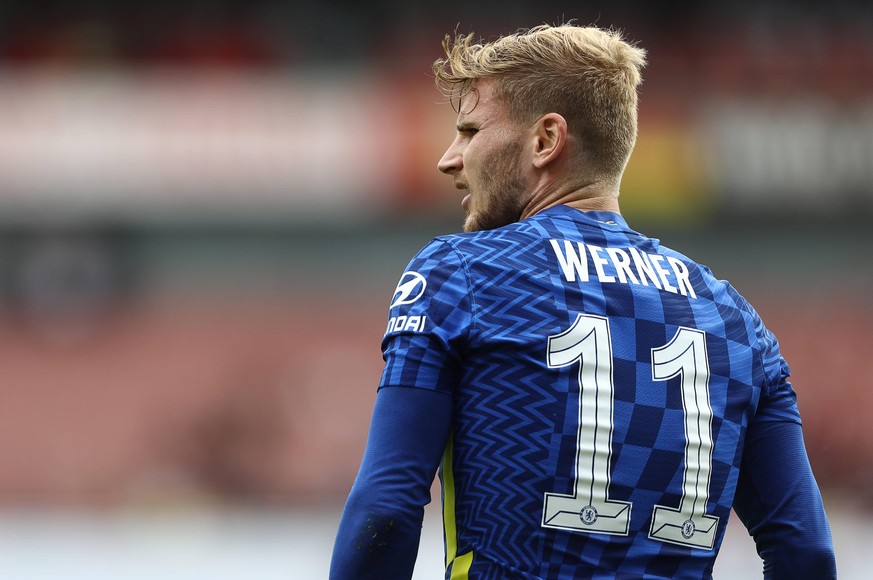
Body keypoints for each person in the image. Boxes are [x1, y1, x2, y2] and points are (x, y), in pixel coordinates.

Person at [329, 23, 836, 579]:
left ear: (546, 140)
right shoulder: (736, 321)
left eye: (471, 131)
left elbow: (386, 512)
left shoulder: (462, 274)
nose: (450, 158)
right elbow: (805, 551)